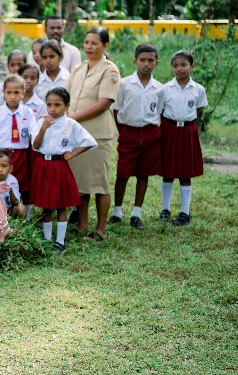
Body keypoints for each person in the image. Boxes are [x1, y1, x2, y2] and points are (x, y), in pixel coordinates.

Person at [66, 27, 121, 241]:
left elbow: (104, 103)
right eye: (87, 42)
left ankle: (101, 229)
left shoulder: (110, 70)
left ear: (105, 46)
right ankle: (82, 224)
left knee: (99, 183)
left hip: (97, 135)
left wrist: (73, 118)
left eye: (95, 43)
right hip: (77, 134)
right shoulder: (79, 69)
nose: (89, 47)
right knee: (81, 182)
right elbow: (67, 97)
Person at [30, 87, 97, 253]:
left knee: (61, 205)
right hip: (43, 166)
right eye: (49, 105)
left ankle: (60, 241)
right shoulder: (41, 122)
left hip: (59, 167)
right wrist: (44, 128)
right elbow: (36, 146)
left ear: (66, 106)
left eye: (57, 105)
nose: (52, 109)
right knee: (46, 206)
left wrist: (72, 154)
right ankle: (46, 240)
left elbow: (90, 141)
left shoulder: (71, 124)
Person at [109, 44, 164, 230]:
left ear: (156, 62)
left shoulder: (159, 88)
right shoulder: (124, 84)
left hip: (150, 133)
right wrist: (123, 131)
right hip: (128, 132)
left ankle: (136, 214)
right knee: (123, 174)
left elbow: (159, 112)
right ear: (135, 61)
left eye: (150, 60)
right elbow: (116, 111)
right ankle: (117, 212)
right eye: (142, 60)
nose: (146, 64)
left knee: (143, 173)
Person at [160, 50, 207, 226]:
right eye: (175, 65)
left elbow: (198, 111)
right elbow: (161, 112)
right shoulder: (165, 89)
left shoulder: (198, 90)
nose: (179, 69)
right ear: (172, 68)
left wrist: (187, 125)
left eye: (183, 65)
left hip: (188, 131)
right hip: (169, 130)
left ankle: (185, 213)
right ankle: (165, 209)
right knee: (168, 172)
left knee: (185, 173)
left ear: (191, 66)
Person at [0, 75, 36, 219]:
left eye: (16, 93)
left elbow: (32, 134)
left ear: (23, 93)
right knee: (0, 183)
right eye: (9, 93)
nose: (13, 96)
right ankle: (0, 214)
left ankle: (25, 217)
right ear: (4, 93)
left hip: (21, 154)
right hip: (0, 154)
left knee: (23, 183)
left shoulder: (28, 113)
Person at [0, 150, 25, 219]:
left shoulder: (12, 181)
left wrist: (9, 189)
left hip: (8, 210)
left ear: (10, 168)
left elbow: (16, 202)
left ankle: (17, 224)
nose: (0, 169)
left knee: (21, 208)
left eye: (4, 166)